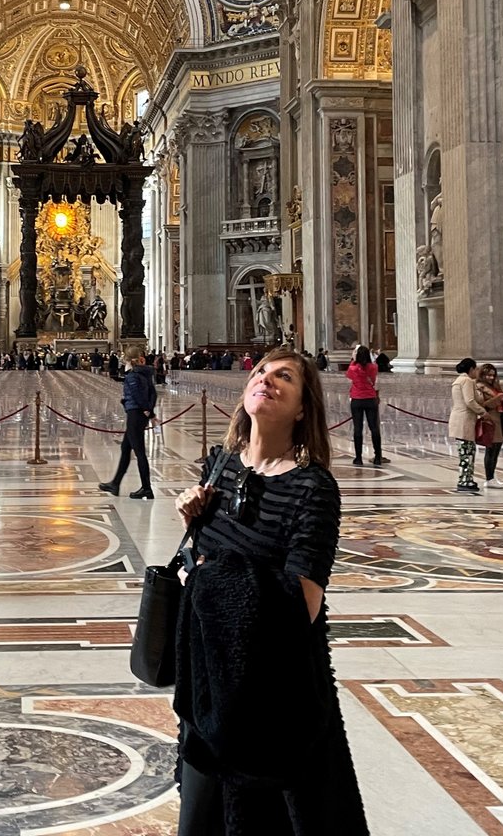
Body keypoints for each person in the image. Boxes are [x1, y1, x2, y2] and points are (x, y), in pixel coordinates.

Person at [172, 347, 368, 835]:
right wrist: (192, 527)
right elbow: (199, 570)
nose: (266, 379)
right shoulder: (218, 468)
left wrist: (214, 576)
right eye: (261, 371)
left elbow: (303, 601)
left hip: (277, 701)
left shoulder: (313, 488)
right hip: (210, 691)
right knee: (199, 821)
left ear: (303, 407)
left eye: (284, 377)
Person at [99, 346, 157, 499]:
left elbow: (137, 395)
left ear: (128, 360)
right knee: (126, 448)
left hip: (135, 414)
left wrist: (146, 409)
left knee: (139, 452)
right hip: (140, 414)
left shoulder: (132, 376)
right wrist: (150, 410)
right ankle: (115, 483)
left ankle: (147, 488)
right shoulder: (146, 373)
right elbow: (153, 393)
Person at [346, 345, 387, 467]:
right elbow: (374, 379)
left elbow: (349, 376)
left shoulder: (353, 368)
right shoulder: (374, 367)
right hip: (370, 398)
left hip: (357, 399)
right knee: (374, 428)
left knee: (358, 428)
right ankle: (378, 456)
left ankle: (358, 458)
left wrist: (353, 359)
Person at [449, 357, 485, 494]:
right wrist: (483, 412)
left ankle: (466, 477)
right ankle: (465, 479)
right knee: (467, 451)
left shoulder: (459, 380)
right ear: (471, 369)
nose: (476, 371)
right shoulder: (466, 381)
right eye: (475, 369)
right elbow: (470, 401)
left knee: (466, 451)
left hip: (460, 419)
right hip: (465, 419)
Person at [475, 363, 503, 490]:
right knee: (491, 450)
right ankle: (489, 478)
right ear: (483, 375)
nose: (491, 378)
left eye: (493, 375)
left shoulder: (495, 386)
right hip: (491, 419)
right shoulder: (479, 387)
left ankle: (492, 476)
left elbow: (500, 402)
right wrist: (497, 398)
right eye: (488, 375)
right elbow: (482, 404)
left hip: (500, 418)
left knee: (496, 450)